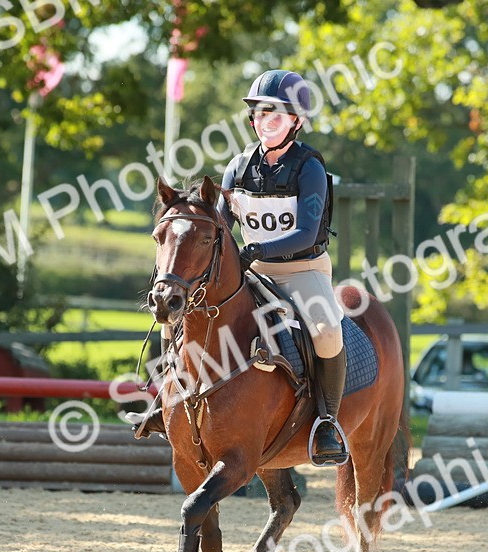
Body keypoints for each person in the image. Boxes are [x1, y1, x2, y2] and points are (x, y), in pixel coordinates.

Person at [133, 69, 347, 465]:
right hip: (251, 270)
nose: (266, 123)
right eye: (261, 115)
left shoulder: (309, 168)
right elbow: (219, 228)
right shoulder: (238, 167)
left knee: (327, 330)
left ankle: (327, 423)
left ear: (295, 121)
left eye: (276, 116)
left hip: (303, 270)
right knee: (176, 319)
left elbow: (305, 232)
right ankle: (166, 401)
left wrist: (254, 251)